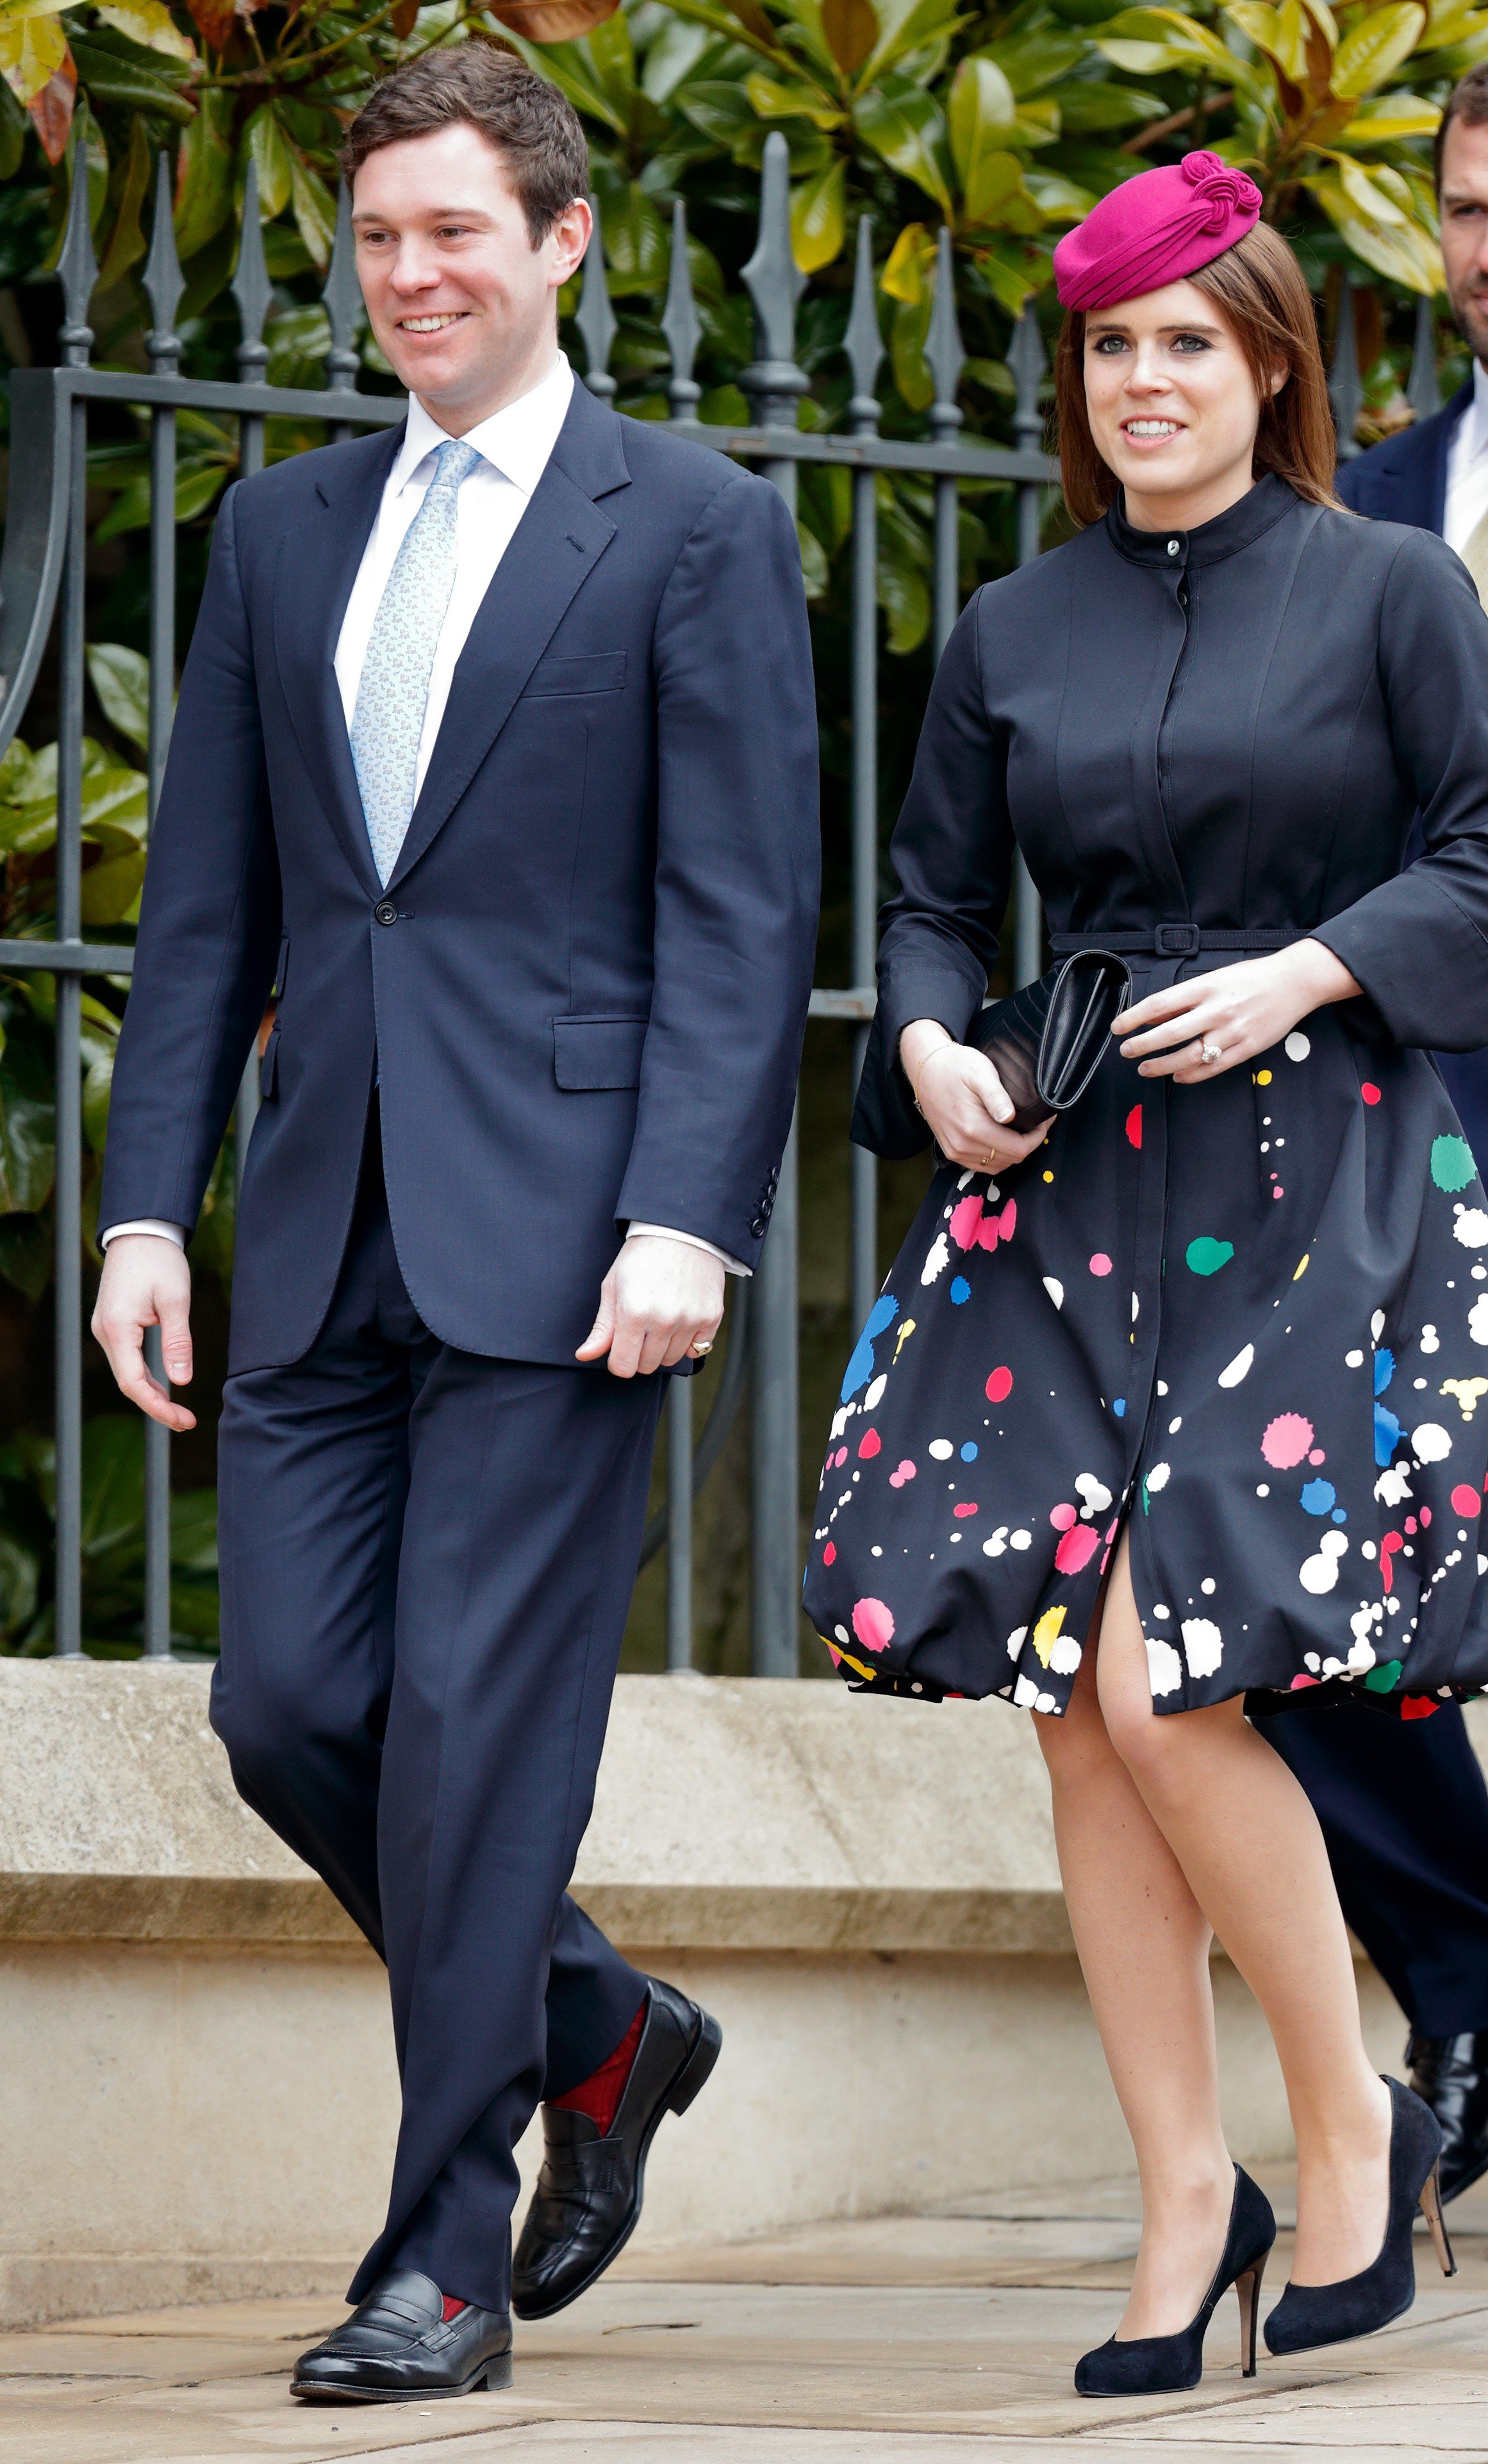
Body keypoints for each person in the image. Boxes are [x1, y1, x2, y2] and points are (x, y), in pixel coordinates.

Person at [90, 45, 819, 2404]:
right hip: (318, 1228)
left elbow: (737, 910)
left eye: (453, 235)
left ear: (559, 240)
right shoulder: (286, 531)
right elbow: (206, 913)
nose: (411, 276)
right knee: (289, 1708)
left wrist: (688, 1216)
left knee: (477, 1744)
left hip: (568, 1239)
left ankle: (443, 2256)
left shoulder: (689, 521)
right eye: (380, 236)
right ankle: (597, 2025)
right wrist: (143, 1216)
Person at [805, 152, 1488, 2395]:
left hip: (1319, 1178)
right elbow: (919, 902)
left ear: (1269, 358)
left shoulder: (1393, 588)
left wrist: (1309, 968)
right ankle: (1185, 2196)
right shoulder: (1011, 629)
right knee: (1075, 1728)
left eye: (1186, 341)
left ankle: (1347, 2118)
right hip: (1070, 1184)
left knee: (1164, 1682)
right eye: (1109, 348)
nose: (1142, 384)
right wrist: (926, 1036)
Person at [1254, 62, 1488, 2211]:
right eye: (1474, 205)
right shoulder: (1366, 506)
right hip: (1388, 1127)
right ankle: (1469, 1966)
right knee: (1288, 1578)